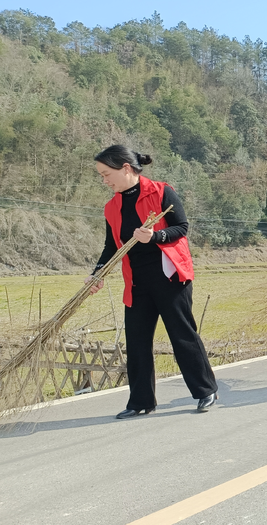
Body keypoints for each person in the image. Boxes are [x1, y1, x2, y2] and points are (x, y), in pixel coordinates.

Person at [85, 145, 218, 419]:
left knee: (182, 335)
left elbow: (181, 227)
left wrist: (154, 236)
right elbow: (111, 247)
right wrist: (97, 273)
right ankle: (141, 401)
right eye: (101, 175)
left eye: (106, 173)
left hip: (169, 276)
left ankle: (206, 391)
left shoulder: (161, 191)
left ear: (125, 168)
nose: (104, 180)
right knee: (137, 342)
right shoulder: (112, 207)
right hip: (136, 282)